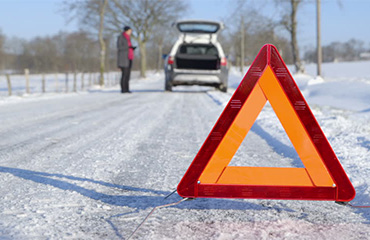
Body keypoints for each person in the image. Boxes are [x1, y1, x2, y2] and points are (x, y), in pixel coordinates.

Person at [117, 26, 135, 93]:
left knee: (128, 74)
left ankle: (127, 89)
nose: (131, 32)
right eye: (130, 31)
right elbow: (119, 47)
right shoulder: (121, 37)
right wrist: (128, 47)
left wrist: (131, 48)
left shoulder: (128, 38)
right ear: (126, 31)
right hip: (123, 58)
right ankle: (123, 89)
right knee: (124, 74)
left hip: (129, 57)